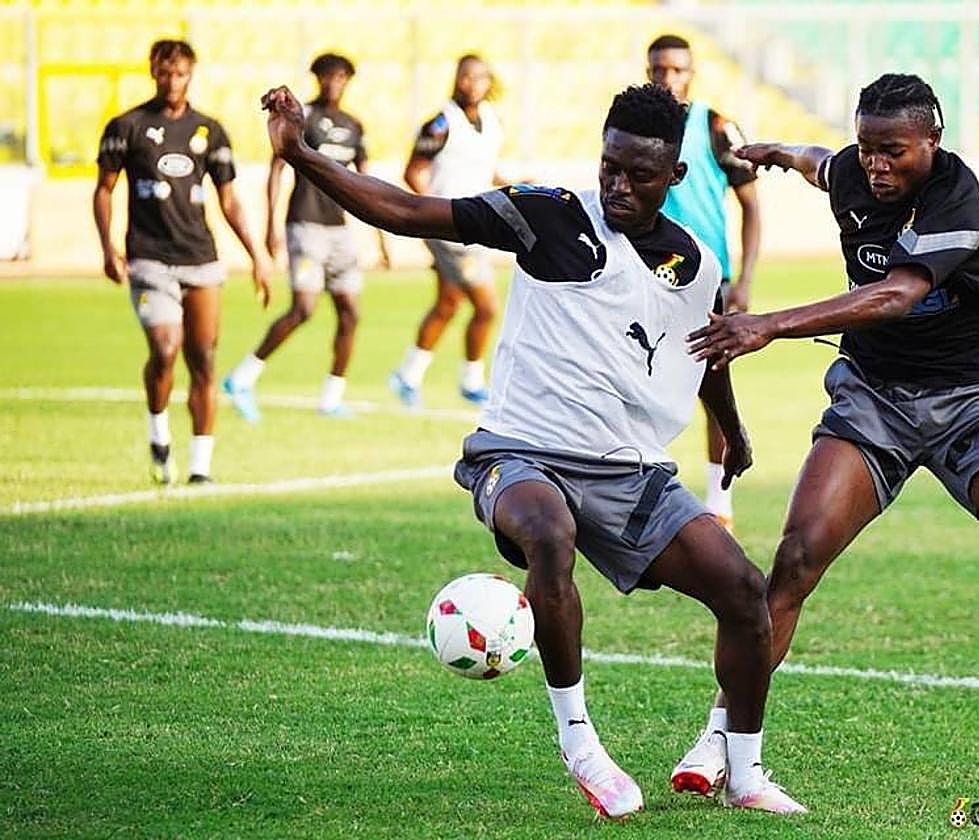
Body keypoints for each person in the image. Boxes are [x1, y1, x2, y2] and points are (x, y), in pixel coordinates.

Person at [262, 80, 806, 819]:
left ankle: (743, 773)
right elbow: (404, 208)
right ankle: (580, 741)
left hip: (627, 470)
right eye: (609, 165)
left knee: (743, 590)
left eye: (638, 174)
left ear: (674, 178)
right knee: (550, 534)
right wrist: (299, 155)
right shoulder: (548, 216)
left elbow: (705, 352)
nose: (616, 184)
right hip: (520, 453)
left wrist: (733, 431)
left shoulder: (693, 263)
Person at [677, 73, 979, 795]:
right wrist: (778, 151)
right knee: (797, 556)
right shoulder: (854, 169)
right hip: (874, 398)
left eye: (894, 152)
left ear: (932, 143)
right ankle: (721, 734)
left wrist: (768, 325)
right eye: (868, 148)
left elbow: (897, 295)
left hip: (974, 395)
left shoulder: (956, 196)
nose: (877, 166)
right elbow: (822, 161)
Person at [94, 39, 270, 484]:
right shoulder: (127, 126)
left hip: (202, 260)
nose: (172, 81)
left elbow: (228, 200)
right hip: (149, 257)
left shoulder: (209, 131)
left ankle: (200, 468)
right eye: (165, 73)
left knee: (204, 360)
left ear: (192, 75)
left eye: (181, 73)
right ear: (153, 72)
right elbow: (104, 190)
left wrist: (257, 255)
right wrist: (107, 247)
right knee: (165, 349)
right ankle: (158, 434)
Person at [224, 52, 384, 421]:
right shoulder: (304, 117)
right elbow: (277, 169)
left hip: (340, 230)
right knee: (304, 309)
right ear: (317, 78)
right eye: (328, 76)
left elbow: (367, 182)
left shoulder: (354, 125)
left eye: (342, 77)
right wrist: (270, 226)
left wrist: (380, 238)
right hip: (306, 225)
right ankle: (243, 378)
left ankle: (332, 397)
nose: (334, 83)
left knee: (351, 312)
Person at [648, 33, 761, 534]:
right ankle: (640, 490)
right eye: (659, 70)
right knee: (639, 379)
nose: (667, 79)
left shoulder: (716, 126)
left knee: (714, 384)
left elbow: (752, 206)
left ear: (691, 74)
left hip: (706, 278)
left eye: (676, 70)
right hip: (645, 276)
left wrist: (744, 280)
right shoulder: (637, 127)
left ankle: (719, 500)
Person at [388, 54, 504, 408]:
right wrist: (430, 213)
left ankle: (407, 375)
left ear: (489, 81)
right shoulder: (441, 122)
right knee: (487, 307)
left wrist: (510, 187)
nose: (471, 83)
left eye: (478, 77)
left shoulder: (491, 119)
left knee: (448, 303)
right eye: (465, 76)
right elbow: (414, 171)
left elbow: (484, 169)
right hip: (452, 226)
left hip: (478, 222)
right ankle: (472, 380)